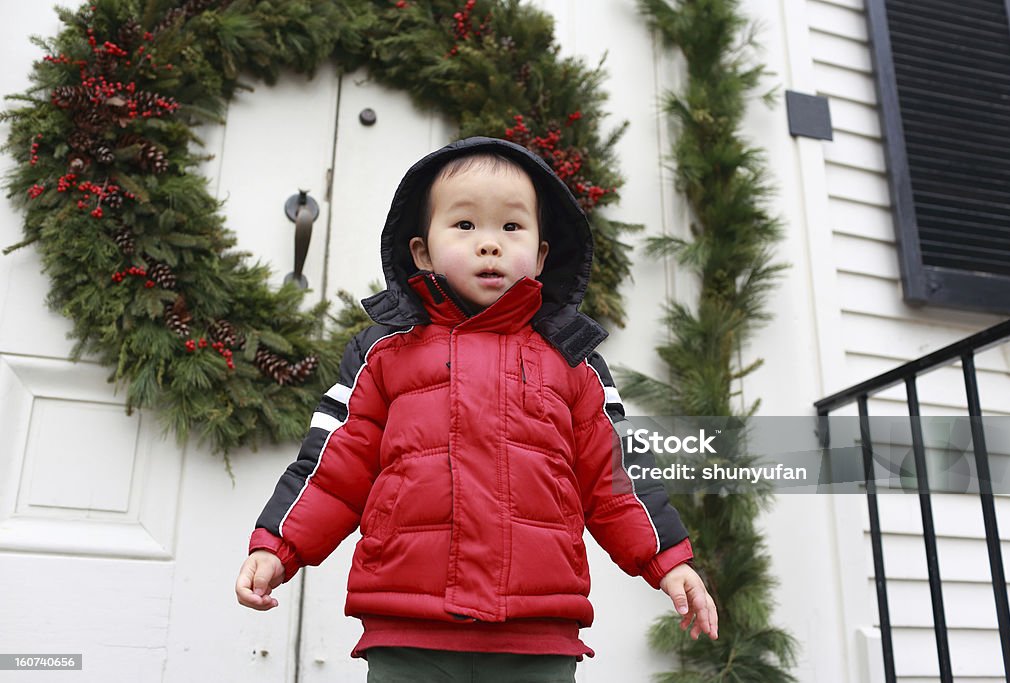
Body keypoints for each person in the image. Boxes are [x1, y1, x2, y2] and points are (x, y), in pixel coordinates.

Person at [235, 136, 718, 682]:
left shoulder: (574, 363)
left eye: (511, 228)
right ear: (421, 251)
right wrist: (278, 545)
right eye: (465, 226)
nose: (489, 244)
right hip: (409, 626)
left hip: (536, 632)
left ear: (539, 256)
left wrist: (668, 560)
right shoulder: (385, 353)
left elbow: (617, 479)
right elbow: (331, 471)